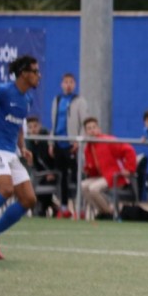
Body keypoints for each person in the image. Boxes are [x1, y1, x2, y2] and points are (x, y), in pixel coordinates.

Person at [0, 55, 41, 258]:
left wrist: (22, 148)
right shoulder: (3, 91)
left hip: (11, 152)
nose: (39, 75)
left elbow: (19, 126)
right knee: (6, 189)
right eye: (35, 71)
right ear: (24, 73)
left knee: (29, 200)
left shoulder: (27, 99)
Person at [80, 118, 138, 220]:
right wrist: (88, 169)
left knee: (93, 188)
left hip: (114, 176)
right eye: (89, 128)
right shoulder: (88, 147)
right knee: (83, 186)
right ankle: (102, 210)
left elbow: (129, 149)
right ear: (86, 132)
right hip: (102, 177)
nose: (92, 130)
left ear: (99, 128)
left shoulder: (107, 140)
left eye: (94, 127)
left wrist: (129, 169)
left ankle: (109, 213)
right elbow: (92, 168)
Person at [49, 72, 88, 218]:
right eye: (65, 82)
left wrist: (79, 140)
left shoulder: (80, 101)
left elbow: (84, 123)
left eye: (71, 82)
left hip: (73, 145)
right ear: (61, 84)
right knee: (62, 177)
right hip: (59, 144)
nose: (68, 85)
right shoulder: (57, 100)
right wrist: (52, 143)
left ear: (75, 84)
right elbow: (54, 123)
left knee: (77, 177)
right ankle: (64, 207)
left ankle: (80, 208)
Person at [25, 116, 59, 216]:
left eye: (35, 126)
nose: (33, 129)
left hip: (53, 174)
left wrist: (52, 172)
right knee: (31, 185)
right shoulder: (28, 143)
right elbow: (33, 164)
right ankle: (50, 207)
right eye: (30, 127)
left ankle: (45, 208)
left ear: (40, 126)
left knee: (43, 187)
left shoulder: (48, 140)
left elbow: (55, 159)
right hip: (39, 175)